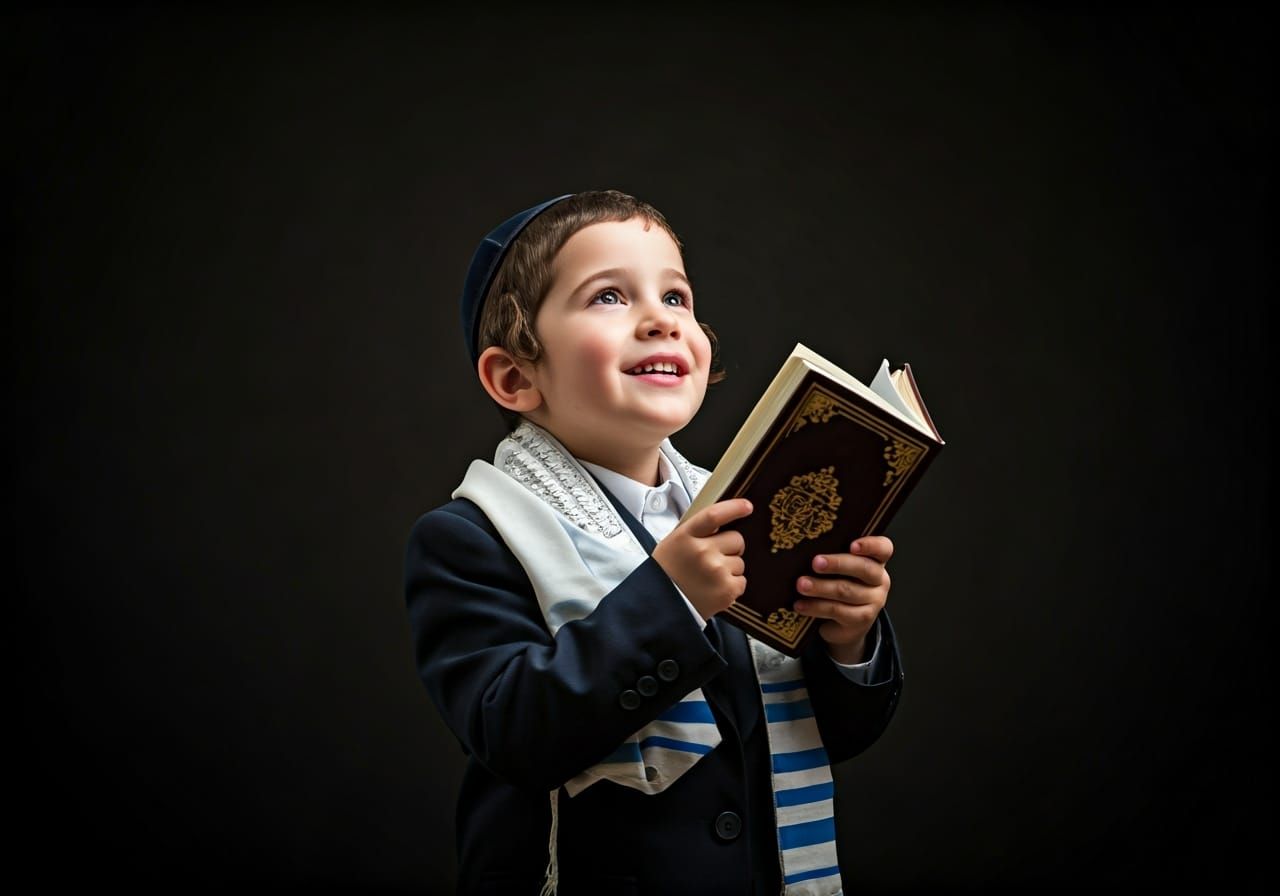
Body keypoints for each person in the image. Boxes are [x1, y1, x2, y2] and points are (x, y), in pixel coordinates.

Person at [403, 190, 904, 896]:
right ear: (514, 377)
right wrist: (671, 599)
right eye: (608, 296)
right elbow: (512, 735)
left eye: (675, 297)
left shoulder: (741, 508)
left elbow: (828, 736)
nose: (660, 320)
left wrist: (848, 641)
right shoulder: (470, 538)